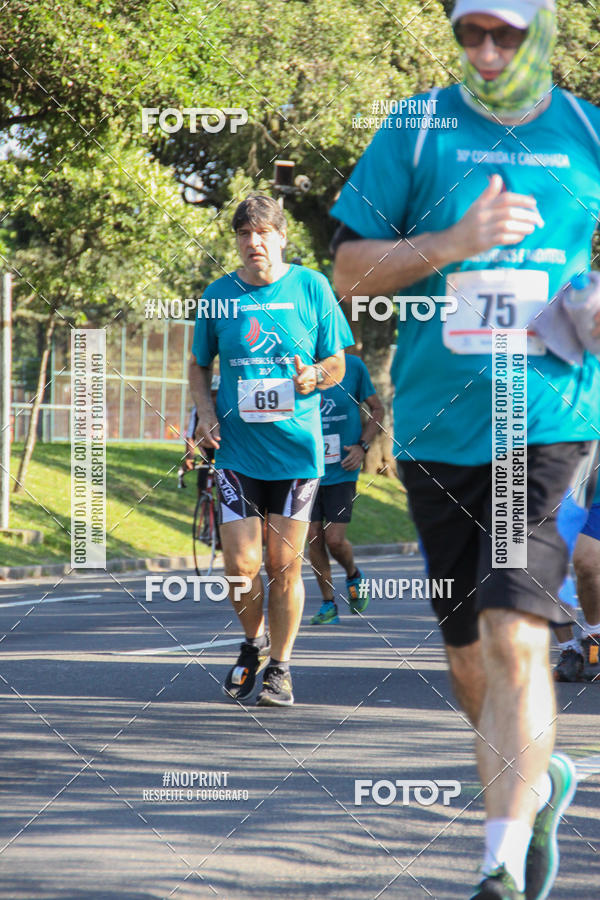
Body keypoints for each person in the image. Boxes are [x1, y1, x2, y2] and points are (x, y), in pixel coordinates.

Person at [330, 1, 600, 897]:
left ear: (543, 33)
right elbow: (349, 272)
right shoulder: (416, 129)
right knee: (470, 658)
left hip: (548, 417)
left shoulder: (587, 132)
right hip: (440, 429)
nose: (486, 53)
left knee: (516, 632)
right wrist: (449, 243)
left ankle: (500, 865)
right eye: (470, 34)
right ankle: (538, 781)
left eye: (507, 35)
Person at [189, 194, 353, 707]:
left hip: (296, 456)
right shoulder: (218, 295)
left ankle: (280, 667)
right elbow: (197, 365)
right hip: (237, 452)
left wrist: (315, 375)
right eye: (243, 234)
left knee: (284, 565)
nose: (253, 243)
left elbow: (337, 363)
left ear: (281, 236)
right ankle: (252, 642)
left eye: (262, 233)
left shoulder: (311, 287)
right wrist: (206, 415)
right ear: (236, 241)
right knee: (239, 565)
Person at [308, 350, 383, 623]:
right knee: (313, 535)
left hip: (343, 468)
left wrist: (363, 447)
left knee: (334, 540)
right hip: (307, 468)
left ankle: (353, 575)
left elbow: (378, 408)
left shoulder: (352, 366)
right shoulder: (297, 365)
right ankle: (328, 604)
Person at [554, 476, 600, 682]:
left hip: (593, 490)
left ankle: (594, 636)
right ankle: (568, 650)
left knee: (588, 564)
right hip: (538, 481)